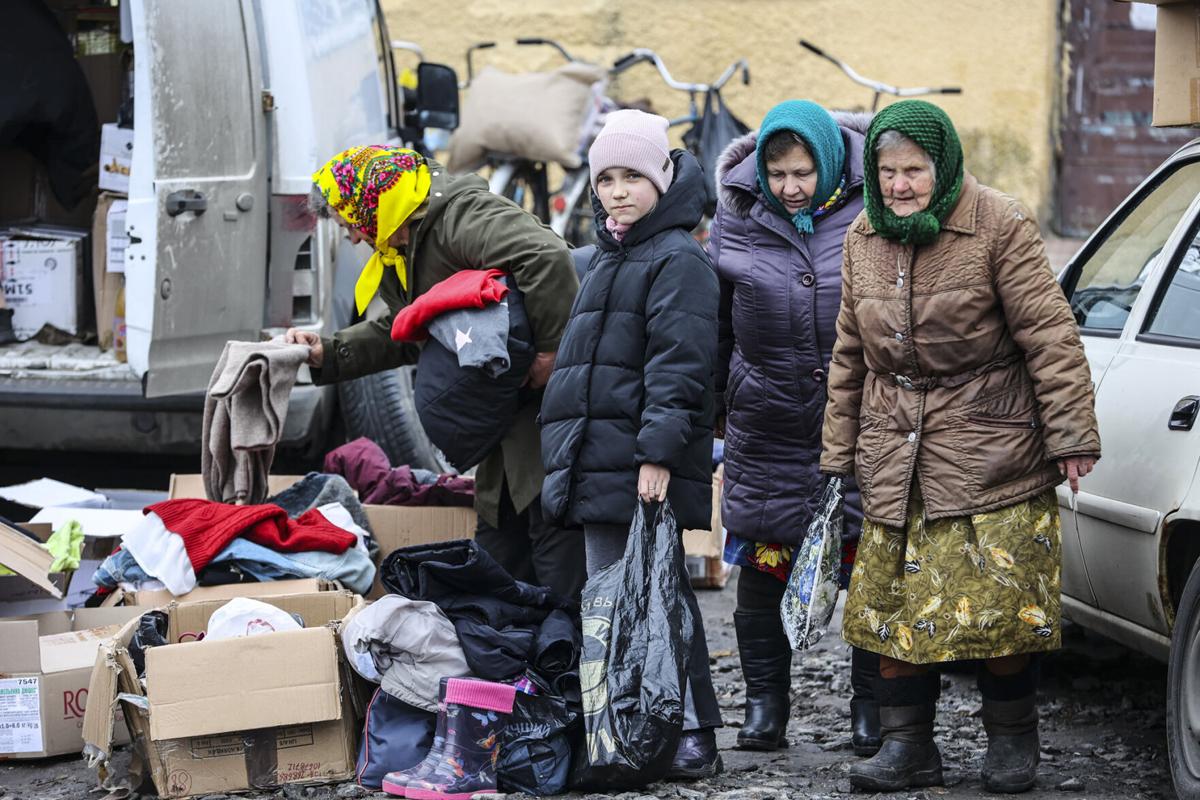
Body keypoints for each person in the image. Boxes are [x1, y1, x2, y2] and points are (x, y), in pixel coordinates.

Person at [820, 100, 1100, 794]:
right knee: (890, 610)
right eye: (886, 171)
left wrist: (1070, 434)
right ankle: (908, 747)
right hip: (895, 451)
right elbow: (849, 354)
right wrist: (835, 457)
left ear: (942, 166)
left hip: (990, 443)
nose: (898, 185)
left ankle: (1011, 745)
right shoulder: (861, 236)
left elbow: (1050, 335)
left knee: (999, 608)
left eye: (913, 170)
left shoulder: (997, 223)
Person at [285, 145, 586, 601]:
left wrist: (551, 351)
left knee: (557, 572)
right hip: (500, 437)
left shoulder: (458, 218)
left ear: (373, 205)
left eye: (349, 225)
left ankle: (570, 669)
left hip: (544, 429)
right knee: (499, 571)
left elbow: (547, 256)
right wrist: (328, 353)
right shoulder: (398, 246)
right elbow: (411, 329)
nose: (350, 239)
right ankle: (515, 669)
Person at [538, 110, 723, 779]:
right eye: (607, 178)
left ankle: (694, 732)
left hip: (641, 465)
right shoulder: (613, 257)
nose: (618, 191)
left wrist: (656, 457)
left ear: (662, 179)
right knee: (610, 598)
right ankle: (621, 728)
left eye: (633, 177)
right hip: (599, 462)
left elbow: (678, 371)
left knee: (658, 595)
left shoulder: (678, 261)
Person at [708, 99, 881, 755]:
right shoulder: (739, 217)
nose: (789, 187)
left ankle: (873, 709)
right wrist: (717, 406)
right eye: (776, 174)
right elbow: (718, 323)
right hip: (768, 419)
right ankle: (764, 708)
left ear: (829, 164)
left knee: (866, 562)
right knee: (763, 559)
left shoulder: (874, 211)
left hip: (858, 421)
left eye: (802, 172)